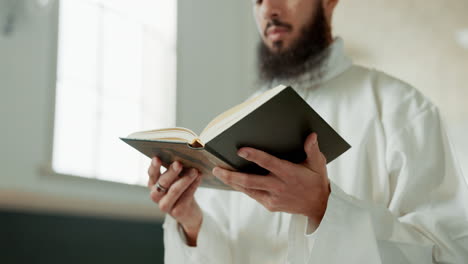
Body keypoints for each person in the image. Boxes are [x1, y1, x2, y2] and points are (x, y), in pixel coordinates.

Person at [147, 0, 468, 263]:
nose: (268, 9)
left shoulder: (403, 108)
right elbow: (230, 249)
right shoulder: (234, 125)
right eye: (257, 0)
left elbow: (447, 253)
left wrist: (325, 208)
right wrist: (190, 223)